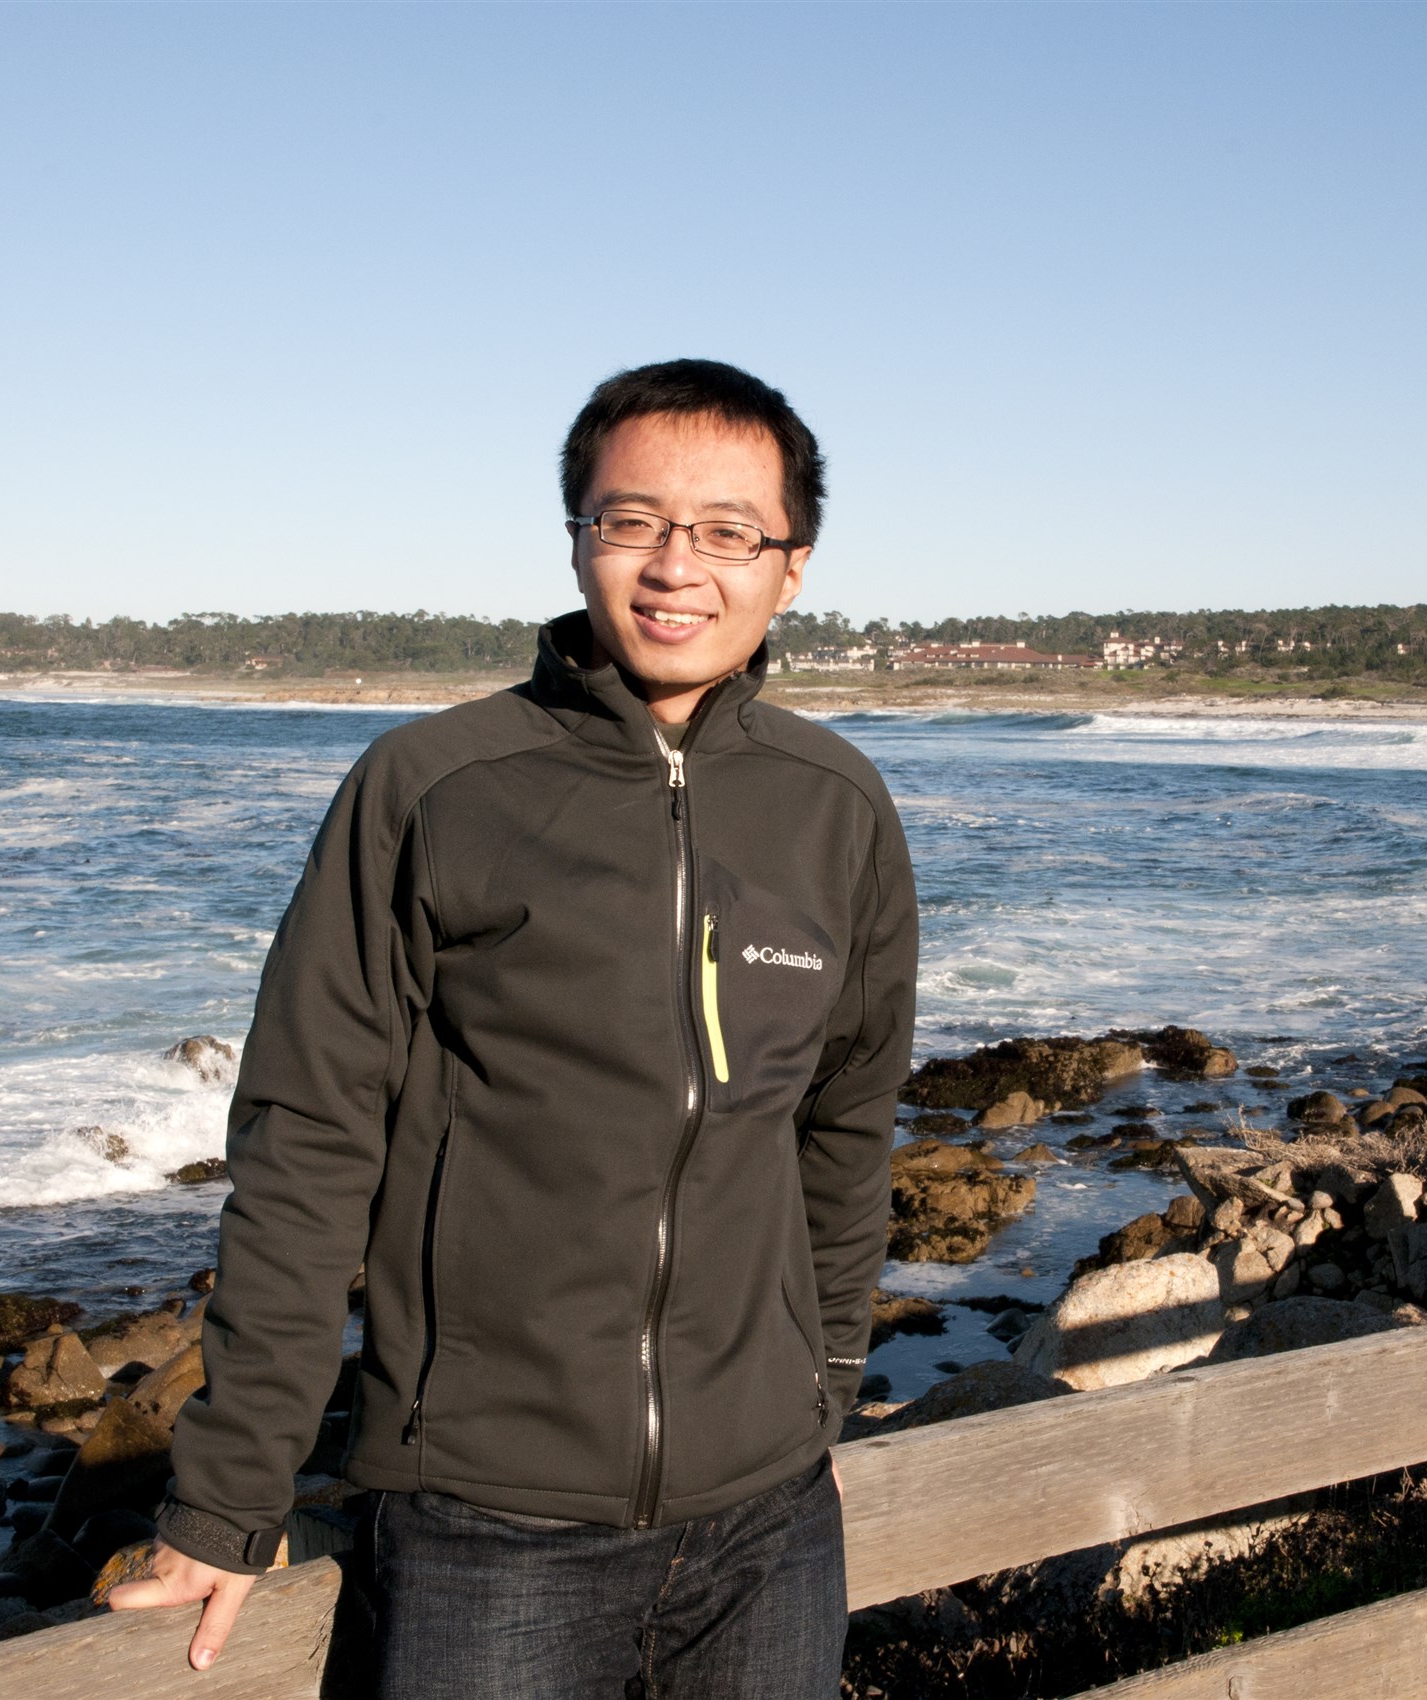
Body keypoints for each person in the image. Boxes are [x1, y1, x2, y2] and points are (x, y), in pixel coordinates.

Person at [110, 358, 918, 1698]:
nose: (675, 566)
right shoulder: (433, 788)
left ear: (791, 568)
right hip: (486, 1525)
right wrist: (230, 1497)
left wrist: (818, 1391)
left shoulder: (837, 807)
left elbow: (845, 1127)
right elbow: (308, 1140)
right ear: (578, 538)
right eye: (632, 519)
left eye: (729, 531)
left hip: (769, 1523)